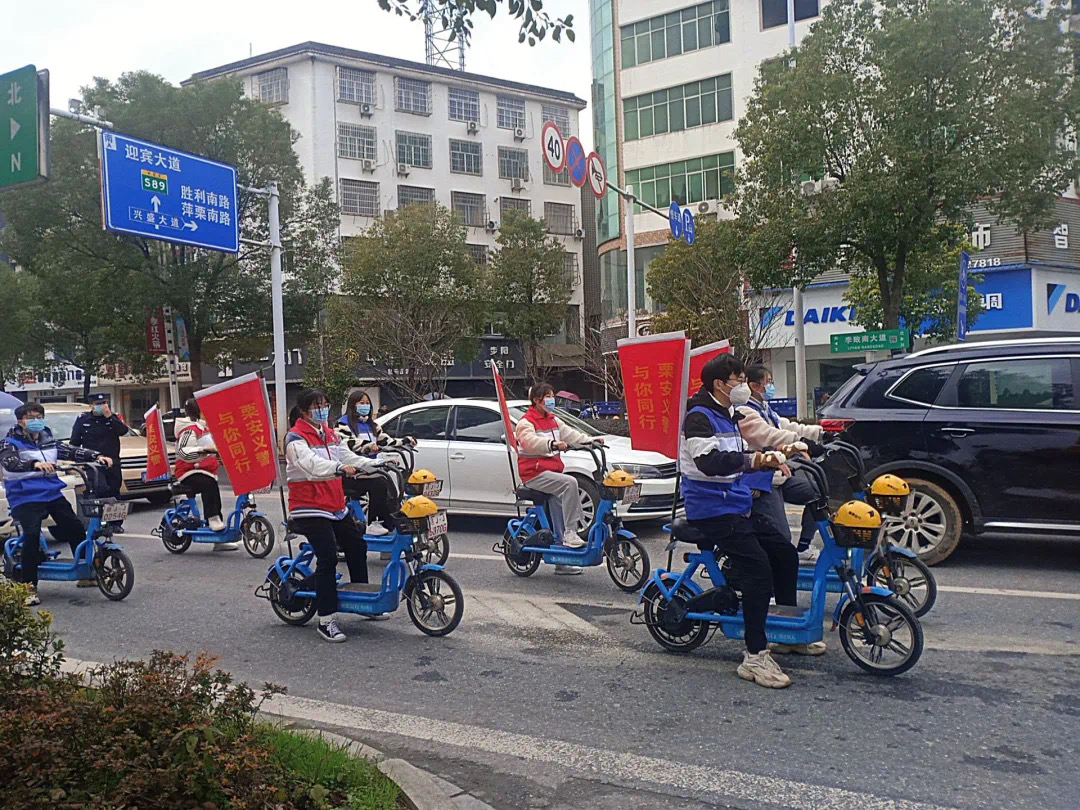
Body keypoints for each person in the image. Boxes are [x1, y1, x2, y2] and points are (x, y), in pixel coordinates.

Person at [681, 354, 799, 688]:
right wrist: (757, 460)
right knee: (758, 571)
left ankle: (786, 631)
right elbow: (709, 461)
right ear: (719, 384)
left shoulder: (728, 413)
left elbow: (745, 455)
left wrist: (777, 456)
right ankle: (755, 655)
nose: (744, 386)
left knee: (785, 553)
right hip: (710, 509)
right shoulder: (699, 416)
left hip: (735, 504)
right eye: (739, 380)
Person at [286, 388, 382, 642]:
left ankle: (362, 599)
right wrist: (339, 467)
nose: (323, 410)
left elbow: (348, 456)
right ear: (304, 411)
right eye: (317, 406)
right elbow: (311, 466)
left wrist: (376, 464)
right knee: (328, 556)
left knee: (357, 544)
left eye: (325, 405)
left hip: (334, 505)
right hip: (308, 507)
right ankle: (326, 619)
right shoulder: (295, 438)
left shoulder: (329, 433)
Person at [0, 402, 114, 603]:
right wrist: (35, 464)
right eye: (31, 418)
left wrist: (96, 456)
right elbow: (10, 462)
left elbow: (70, 451)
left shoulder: (47, 439)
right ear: (21, 421)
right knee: (32, 535)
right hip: (24, 495)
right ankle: (28, 587)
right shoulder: (9, 443)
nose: (36, 421)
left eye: (39, 417)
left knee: (74, 526)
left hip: (51, 492)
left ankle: (86, 572)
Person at [732, 366, 827, 564]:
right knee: (782, 537)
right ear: (754, 386)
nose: (771, 386)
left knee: (817, 490)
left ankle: (803, 547)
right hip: (760, 478)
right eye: (768, 382)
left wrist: (820, 432)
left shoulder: (764, 408)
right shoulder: (743, 411)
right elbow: (769, 435)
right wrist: (799, 442)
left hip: (779, 473)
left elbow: (785, 425)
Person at [514, 382, 603, 576]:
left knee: (559, 501)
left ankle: (561, 559)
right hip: (534, 474)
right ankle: (571, 533)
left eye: (552, 395)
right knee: (570, 483)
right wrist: (552, 444)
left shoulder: (552, 420)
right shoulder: (526, 422)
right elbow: (529, 442)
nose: (552, 400)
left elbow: (571, 434)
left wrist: (590, 440)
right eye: (548, 396)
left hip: (550, 472)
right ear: (537, 400)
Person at [334, 391, 415, 537]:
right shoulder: (343, 424)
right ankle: (374, 522)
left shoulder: (372, 425)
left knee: (393, 482)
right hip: (351, 472)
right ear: (353, 405)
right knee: (379, 483)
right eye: (361, 403)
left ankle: (391, 522)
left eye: (367, 403)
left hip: (371, 468)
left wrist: (405, 441)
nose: (365, 406)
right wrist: (368, 446)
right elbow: (349, 443)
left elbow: (386, 440)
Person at [173, 398, 234, 546]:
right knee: (209, 484)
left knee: (212, 486)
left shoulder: (204, 428)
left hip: (205, 470)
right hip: (189, 471)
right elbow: (183, 451)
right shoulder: (189, 429)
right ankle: (213, 517)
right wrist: (202, 450)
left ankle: (218, 536)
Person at [69, 393, 130, 533]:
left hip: (113, 462)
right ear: (91, 405)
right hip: (93, 464)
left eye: (104, 403)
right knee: (101, 489)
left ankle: (115, 523)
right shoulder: (83, 420)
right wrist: (79, 461)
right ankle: (99, 520)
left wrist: (110, 417)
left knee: (114, 492)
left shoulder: (112, 418)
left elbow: (123, 431)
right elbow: (74, 443)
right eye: (98, 404)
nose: (102, 406)